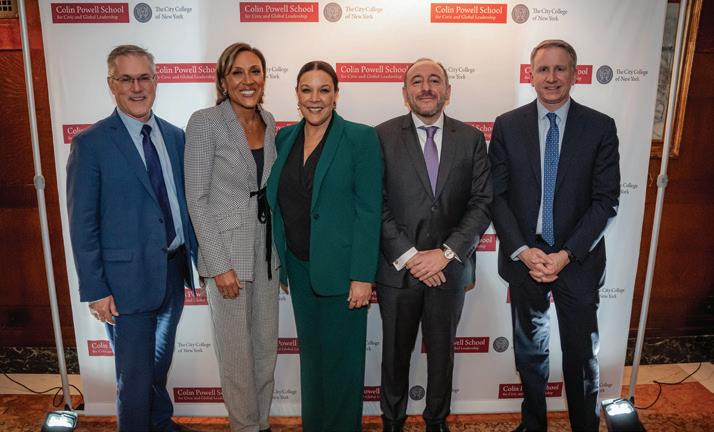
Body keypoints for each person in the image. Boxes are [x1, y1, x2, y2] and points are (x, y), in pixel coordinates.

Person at [489, 39, 620, 432]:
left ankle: (585, 427)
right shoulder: (507, 125)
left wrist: (565, 254)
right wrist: (522, 250)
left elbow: (606, 201)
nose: (551, 77)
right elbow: (496, 195)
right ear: (531, 76)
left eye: (560, 69)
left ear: (575, 75)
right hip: (525, 259)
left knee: (581, 356)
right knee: (530, 353)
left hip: (577, 259)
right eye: (543, 69)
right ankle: (533, 425)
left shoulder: (600, 126)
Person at [66, 44, 197, 431]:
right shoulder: (91, 144)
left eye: (144, 78)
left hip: (172, 272)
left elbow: (183, 203)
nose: (137, 88)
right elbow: (82, 223)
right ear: (112, 84)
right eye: (126, 79)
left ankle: (160, 424)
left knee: (158, 366)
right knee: (135, 379)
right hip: (125, 284)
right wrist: (96, 288)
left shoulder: (175, 136)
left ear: (156, 81)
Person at [376, 58, 492, 432]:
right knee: (395, 354)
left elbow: (482, 202)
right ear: (405, 92)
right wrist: (411, 256)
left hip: (450, 268)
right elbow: (375, 203)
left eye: (434, 80)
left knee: (442, 355)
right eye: (417, 81)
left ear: (448, 90)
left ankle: (437, 421)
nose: (426, 87)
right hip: (398, 270)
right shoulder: (381, 136)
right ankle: (392, 421)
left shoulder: (471, 139)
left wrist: (445, 254)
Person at [266, 61, 383, 432]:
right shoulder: (284, 138)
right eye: (307, 90)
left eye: (323, 90)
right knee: (313, 362)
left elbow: (369, 211)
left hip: (344, 273)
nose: (314, 98)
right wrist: (283, 262)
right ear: (297, 95)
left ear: (336, 95)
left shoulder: (360, 138)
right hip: (299, 270)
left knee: (342, 366)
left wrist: (362, 275)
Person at [184, 42, 279, 432]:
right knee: (236, 355)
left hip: (267, 252)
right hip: (226, 253)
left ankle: (262, 422)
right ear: (223, 81)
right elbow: (196, 198)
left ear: (264, 78)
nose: (247, 80)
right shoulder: (205, 122)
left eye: (255, 71)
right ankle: (245, 427)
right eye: (237, 72)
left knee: (265, 348)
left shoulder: (269, 120)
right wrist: (219, 265)